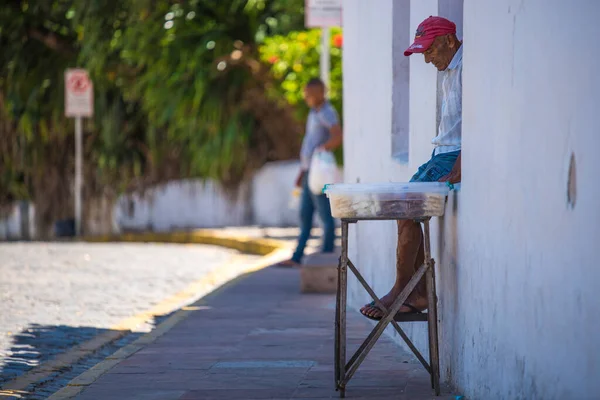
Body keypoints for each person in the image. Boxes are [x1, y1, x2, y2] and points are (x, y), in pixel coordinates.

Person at [361, 16, 463, 319]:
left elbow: (478, 121)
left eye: (430, 51)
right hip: (440, 154)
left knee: (404, 209)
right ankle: (413, 293)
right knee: (404, 209)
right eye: (424, 54)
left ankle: (403, 292)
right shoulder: (450, 69)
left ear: (448, 40)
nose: (428, 59)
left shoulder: (467, 69)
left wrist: (460, 163)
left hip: (450, 155)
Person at [279, 78, 343, 267]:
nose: (306, 97)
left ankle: (327, 257)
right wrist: (301, 172)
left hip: (318, 174)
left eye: (309, 94)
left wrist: (322, 149)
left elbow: (338, 135)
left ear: (319, 93)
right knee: (305, 214)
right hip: (309, 173)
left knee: (325, 215)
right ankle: (297, 257)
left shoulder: (327, 112)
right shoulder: (314, 113)